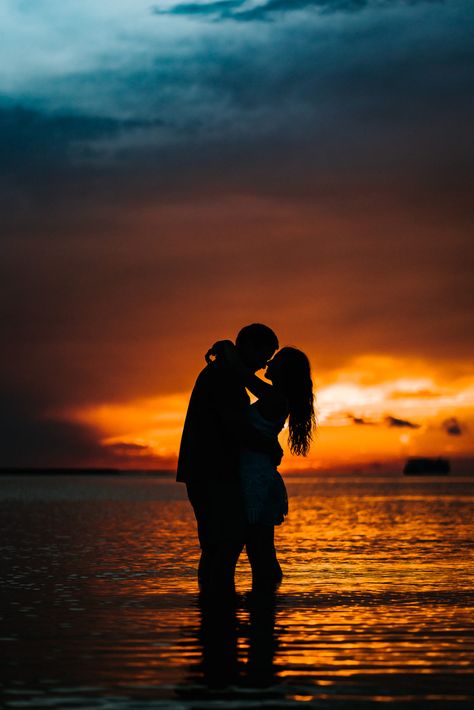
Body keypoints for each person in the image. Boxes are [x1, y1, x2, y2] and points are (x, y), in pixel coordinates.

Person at [176, 323, 282, 594]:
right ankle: (217, 609)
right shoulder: (224, 376)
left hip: (208, 470)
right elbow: (234, 426)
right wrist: (269, 446)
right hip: (212, 471)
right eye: (264, 355)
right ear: (248, 347)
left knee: (218, 544)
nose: (264, 364)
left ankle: (213, 612)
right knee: (223, 543)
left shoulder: (224, 372)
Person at [209, 340, 316, 589]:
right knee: (259, 548)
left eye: (275, 360)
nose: (269, 362)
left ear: (284, 371)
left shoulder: (275, 397)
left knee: (260, 550)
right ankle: (266, 604)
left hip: (256, 481)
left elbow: (242, 374)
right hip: (255, 477)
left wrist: (227, 347)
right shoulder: (276, 398)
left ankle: (267, 602)